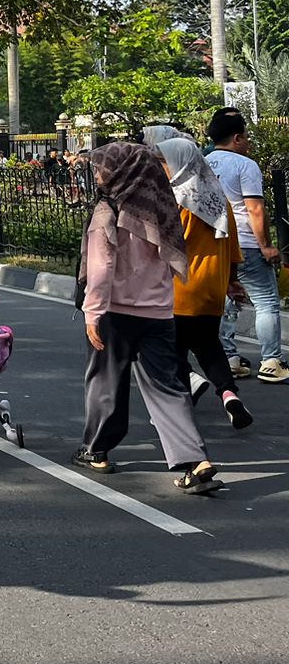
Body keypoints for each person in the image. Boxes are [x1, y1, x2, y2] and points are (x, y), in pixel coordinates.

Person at [76, 143, 224, 494]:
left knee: (105, 381)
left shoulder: (107, 210)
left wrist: (92, 313)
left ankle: (97, 450)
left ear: (121, 171)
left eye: (102, 168)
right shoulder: (161, 204)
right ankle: (194, 460)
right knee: (167, 387)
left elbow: (101, 268)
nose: (97, 174)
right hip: (159, 311)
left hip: (115, 311)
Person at [153, 135, 253, 430]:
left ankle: (187, 393)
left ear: (177, 163)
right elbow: (232, 245)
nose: (161, 169)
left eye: (163, 163)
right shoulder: (217, 195)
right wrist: (231, 283)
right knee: (209, 346)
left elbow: (165, 245)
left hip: (179, 287)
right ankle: (229, 395)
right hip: (212, 287)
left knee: (169, 350)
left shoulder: (176, 199)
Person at [205, 107, 284, 382]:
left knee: (228, 299)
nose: (248, 142)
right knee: (266, 302)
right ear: (237, 137)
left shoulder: (203, 163)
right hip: (247, 242)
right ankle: (271, 361)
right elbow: (255, 210)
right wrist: (267, 246)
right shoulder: (244, 165)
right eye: (247, 137)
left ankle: (230, 358)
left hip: (215, 242)